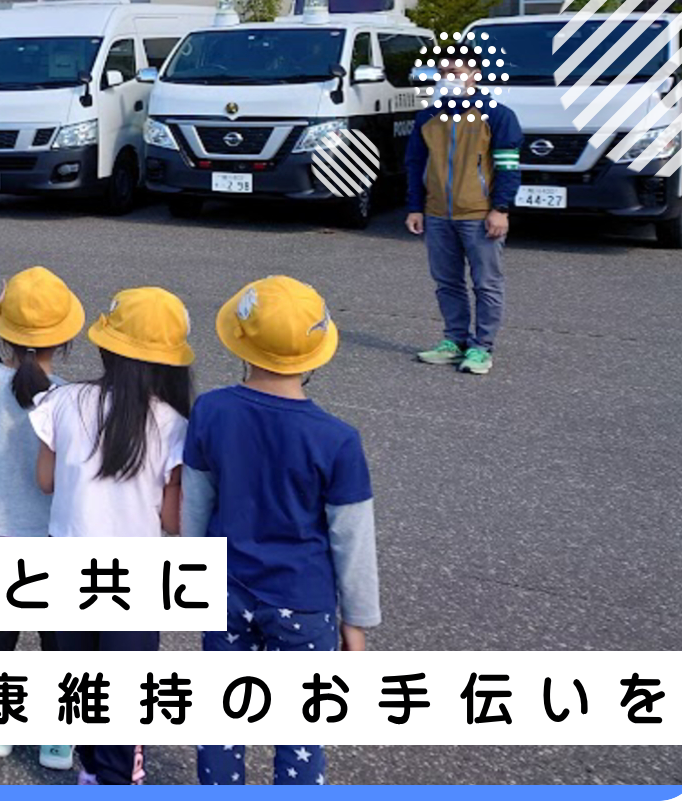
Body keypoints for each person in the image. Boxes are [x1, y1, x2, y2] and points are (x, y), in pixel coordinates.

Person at [182, 276, 381, 786]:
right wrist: (357, 623)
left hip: (226, 589)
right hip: (304, 601)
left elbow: (195, 503)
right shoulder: (337, 440)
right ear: (315, 355)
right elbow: (352, 539)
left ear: (240, 343)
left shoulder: (211, 411)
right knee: (300, 730)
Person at [28, 285, 195, 785]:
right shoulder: (173, 424)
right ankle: (117, 774)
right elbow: (173, 520)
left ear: (106, 348)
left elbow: (45, 481)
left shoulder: (64, 400)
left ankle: (90, 768)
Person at [0, 266, 81, 765]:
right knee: (58, 638)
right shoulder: (68, 396)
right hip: (48, 534)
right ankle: (58, 737)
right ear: (65, 339)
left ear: (3, 332)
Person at [406, 58, 521, 376]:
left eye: (455, 72)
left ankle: (482, 347)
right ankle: (454, 341)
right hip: (437, 214)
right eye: (442, 73)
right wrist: (415, 207)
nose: (448, 78)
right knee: (447, 282)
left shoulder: (498, 115)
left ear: (475, 74)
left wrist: (500, 209)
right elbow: (415, 164)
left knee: (486, 284)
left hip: (478, 214)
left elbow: (508, 167)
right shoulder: (428, 117)